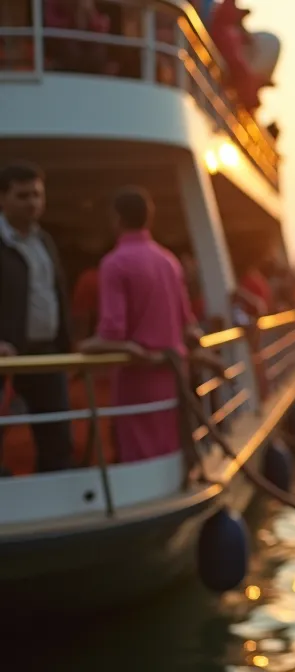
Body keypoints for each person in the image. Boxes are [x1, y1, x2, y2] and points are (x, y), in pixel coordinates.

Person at [78, 187, 199, 463]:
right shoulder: (170, 261)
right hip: (171, 375)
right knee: (167, 446)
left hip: (137, 378)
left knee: (137, 451)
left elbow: (112, 332)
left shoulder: (114, 263)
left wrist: (82, 347)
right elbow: (186, 322)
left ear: (116, 219)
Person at [0, 162, 75, 473]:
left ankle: (58, 496)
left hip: (47, 353)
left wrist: (68, 347)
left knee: (57, 433)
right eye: (23, 195)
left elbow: (55, 293)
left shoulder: (45, 241)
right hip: (6, 357)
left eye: (37, 195)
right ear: (2, 198)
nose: (32, 202)